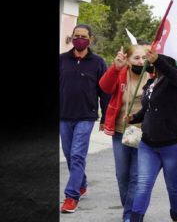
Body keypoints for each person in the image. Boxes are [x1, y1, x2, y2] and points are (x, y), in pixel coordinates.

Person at [127, 49, 177, 222]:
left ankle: (176, 217)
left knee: (173, 186)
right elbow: (149, 108)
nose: (148, 59)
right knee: (143, 186)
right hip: (148, 144)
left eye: (153, 56)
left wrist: (158, 60)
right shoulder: (152, 81)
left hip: (175, 144)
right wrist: (135, 117)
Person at [60, 24, 110, 213]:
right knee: (68, 154)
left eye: (83, 36)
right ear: (71, 37)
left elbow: (104, 92)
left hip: (86, 117)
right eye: (76, 35)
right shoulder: (62, 60)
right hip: (63, 116)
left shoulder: (98, 62)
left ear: (90, 39)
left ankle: (71, 196)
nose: (79, 39)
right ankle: (81, 184)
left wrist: (105, 116)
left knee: (77, 155)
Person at [99, 42, 150, 222]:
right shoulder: (121, 73)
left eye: (144, 57)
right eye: (136, 58)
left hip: (144, 133)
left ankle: (129, 215)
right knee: (122, 176)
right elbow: (104, 87)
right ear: (127, 60)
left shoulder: (152, 75)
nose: (140, 61)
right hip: (121, 131)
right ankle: (128, 206)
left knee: (136, 177)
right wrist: (115, 67)